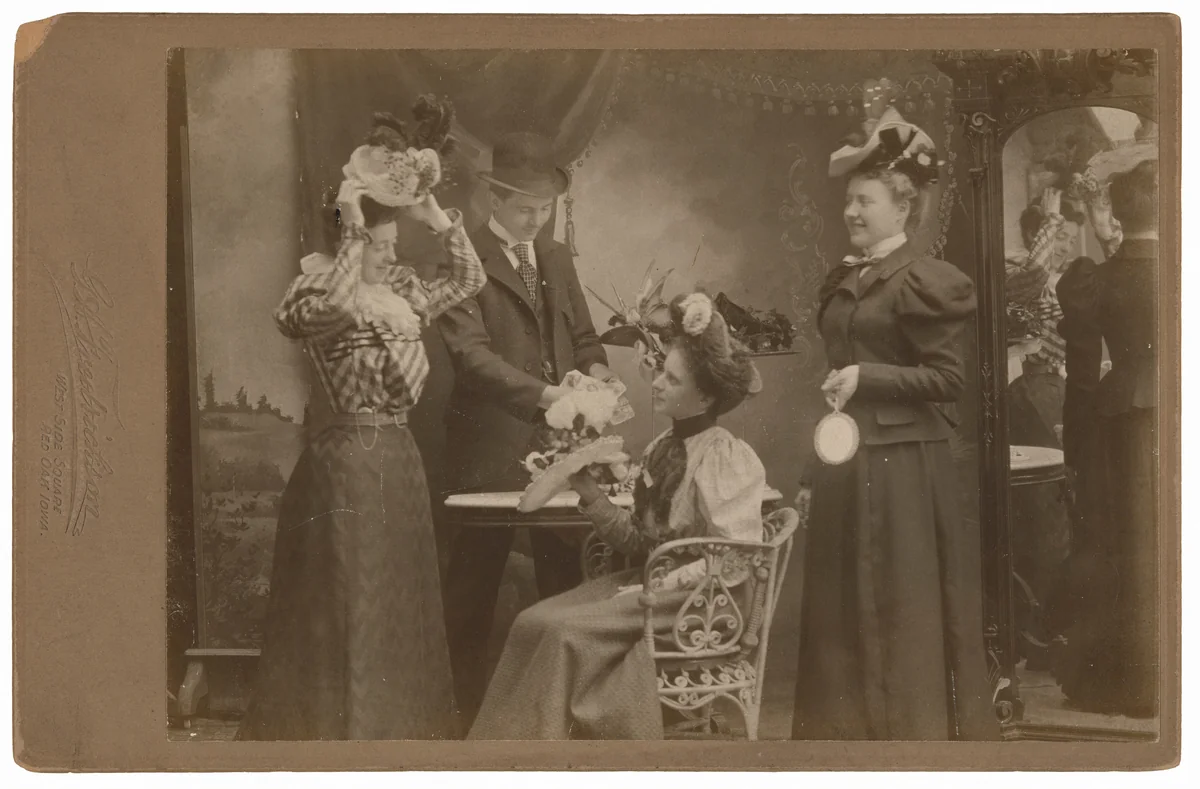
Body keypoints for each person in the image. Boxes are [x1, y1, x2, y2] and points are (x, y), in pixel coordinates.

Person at [236, 105, 486, 741]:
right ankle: (341, 739)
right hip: (345, 463)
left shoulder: (399, 291)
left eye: (391, 246)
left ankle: (400, 736)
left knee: (397, 603)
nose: (387, 257)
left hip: (398, 459)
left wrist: (434, 217)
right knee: (350, 600)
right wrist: (353, 230)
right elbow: (339, 307)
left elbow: (469, 277)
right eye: (379, 247)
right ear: (349, 239)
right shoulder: (314, 293)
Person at [466, 292, 766, 740]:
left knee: (562, 630)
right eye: (661, 371)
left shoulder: (725, 456)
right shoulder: (661, 448)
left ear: (704, 396)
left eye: (672, 378)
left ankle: (545, 761)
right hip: (649, 585)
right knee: (532, 620)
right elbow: (636, 540)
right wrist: (588, 491)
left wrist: (665, 581)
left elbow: (736, 557)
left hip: (697, 603)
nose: (658, 383)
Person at [791, 108, 999, 741]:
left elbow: (949, 383)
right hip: (848, 467)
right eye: (849, 200)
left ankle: (909, 748)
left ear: (902, 210)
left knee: (893, 612)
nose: (852, 212)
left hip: (905, 469)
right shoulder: (847, 277)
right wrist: (811, 471)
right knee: (842, 612)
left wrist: (869, 377)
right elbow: (837, 387)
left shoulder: (925, 282)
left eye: (866, 201)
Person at [437, 131, 621, 728]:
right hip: (489, 444)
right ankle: (459, 724)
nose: (535, 221)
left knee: (564, 584)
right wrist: (548, 397)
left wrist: (594, 375)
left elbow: (587, 339)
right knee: (471, 590)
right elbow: (471, 358)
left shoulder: (557, 256)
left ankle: (554, 723)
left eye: (544, 210)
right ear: (493, 199)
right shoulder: (461, 257)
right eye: (524, 209)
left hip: (562, 450)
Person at [1052, 157, 1158, 718]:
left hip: (1121, 419)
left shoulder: (1095, 279)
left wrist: (1076, 449)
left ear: (1116, 213)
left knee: (1128, 540)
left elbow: (1083, 375)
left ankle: (1128, 677)